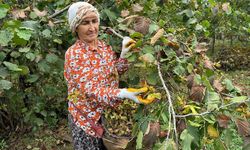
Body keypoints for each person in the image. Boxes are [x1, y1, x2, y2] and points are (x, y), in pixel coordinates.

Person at [64, 2, 154, 150]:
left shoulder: (104, 47)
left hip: (107, 116)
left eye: (94, 21)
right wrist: (122, 93)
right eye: (85, 23)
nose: (92, 27)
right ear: (76, 27)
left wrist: (124, 55)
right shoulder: (74, 54)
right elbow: (90, 90)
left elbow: (114, 73)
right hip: (86, 119)